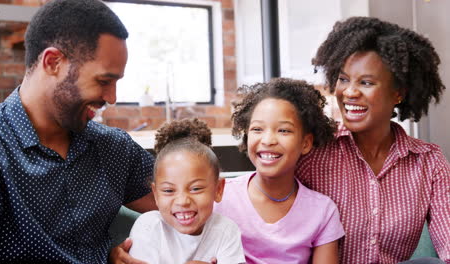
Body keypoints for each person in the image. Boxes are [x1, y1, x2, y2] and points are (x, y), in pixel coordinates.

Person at [0, 0, 156, 263]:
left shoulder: (114, 148)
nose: (112, 97)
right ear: (53, 62)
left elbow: (188, 202)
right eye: (103, 81)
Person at [295, 16, 450, 263]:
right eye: (343, 79)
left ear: (398, 93)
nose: (349, 92)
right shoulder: (312, 151)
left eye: (366, 82)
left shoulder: (428, 162)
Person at [214, 78, 345, 264]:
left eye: (283, 131)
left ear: (306, 143)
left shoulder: (323, 211)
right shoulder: (220, 198)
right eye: (257, 129)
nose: (268, 140)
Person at [128, 118, 245, 264]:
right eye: (169, 190)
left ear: (218, 190)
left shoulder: (226, 230)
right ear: (156, 194)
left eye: (195, 189)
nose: (183, 201)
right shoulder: (148, 226)